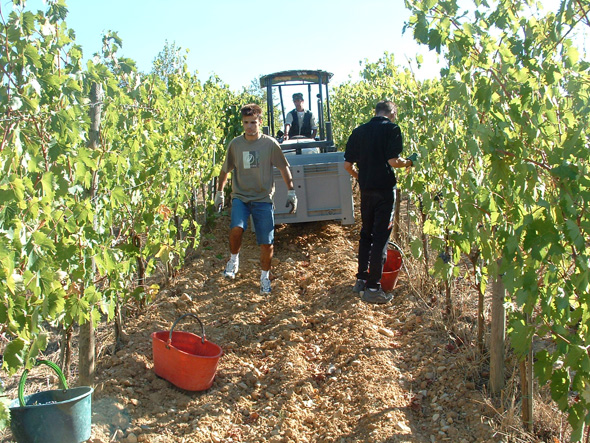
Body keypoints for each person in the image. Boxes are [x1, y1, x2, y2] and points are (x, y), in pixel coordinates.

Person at [215, 103, 297, 294]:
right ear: (242, 123)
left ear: (260, 122)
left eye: (253, 122)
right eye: (246, 123)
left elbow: (284, 168)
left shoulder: (269, 144)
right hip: (241, 196)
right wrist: (219, 193)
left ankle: (264, 278)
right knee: (236, 228)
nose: (249, 126)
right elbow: (224, 170)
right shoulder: (236, 145)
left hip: (263, 198)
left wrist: (291, 191)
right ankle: (234, 260)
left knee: (266, 242)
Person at [343, 100, 415, 304]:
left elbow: (347, 166)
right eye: (395, 115)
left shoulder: (358, 132)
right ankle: (373, 288)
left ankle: (361, 280)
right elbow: (394, 161)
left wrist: (362, 178)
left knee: (366, 234)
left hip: (366, 190)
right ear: (391, 113)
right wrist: (410, 162)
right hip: (384, 190)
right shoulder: (392, 129)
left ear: (376, 112)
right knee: (381, 237)